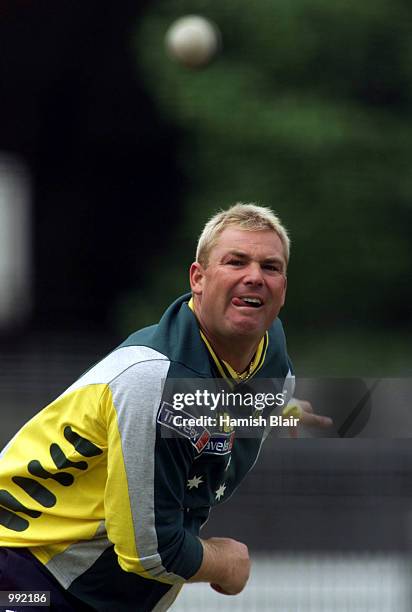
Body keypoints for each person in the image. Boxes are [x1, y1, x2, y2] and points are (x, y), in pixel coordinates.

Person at [0, 203, 331, 611]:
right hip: (25, 574)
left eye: (271, 267)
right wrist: (226, 563)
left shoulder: (272, 362)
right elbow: (147, 552)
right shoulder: (152, 380)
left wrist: (285, 409)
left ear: (284, 288)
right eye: (236, 261)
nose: (254, 277)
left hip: (102, 592)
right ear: (198, 278)